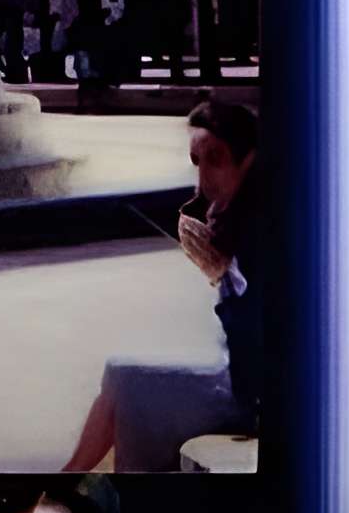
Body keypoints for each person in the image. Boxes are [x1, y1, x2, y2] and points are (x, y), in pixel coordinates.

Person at [63, 96, 260, 473]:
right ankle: (69, 477)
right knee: (119, 372)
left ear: (248, 159)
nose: (202, 180)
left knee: (132, 391)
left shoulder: (268, 226)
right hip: (237, 379)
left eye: (216, 160)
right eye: (196, 162)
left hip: (252, 399)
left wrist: (224, 274)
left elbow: (258, 349)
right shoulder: (232, 215)